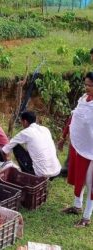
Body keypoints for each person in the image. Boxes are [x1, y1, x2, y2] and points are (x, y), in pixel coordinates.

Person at [62, 72, 93, 228]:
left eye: (90, 85)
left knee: (90, 183)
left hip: (92, 152)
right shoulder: (83, 99)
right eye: (86, 84)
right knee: (79, 177)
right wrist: (63, 136)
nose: (87, 87)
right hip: (80, 147)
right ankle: (76, 206)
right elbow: (74, 116)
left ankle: (86, 217)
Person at [2, 111, 61, 178]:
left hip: (41, 173)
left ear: (25, 122)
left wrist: (6, 161)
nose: (22, 124)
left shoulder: (26, 132)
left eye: (21, 122)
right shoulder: (45, 129)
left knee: (16, 147)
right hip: (56, 170)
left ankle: (27, 174)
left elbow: (6, 148)